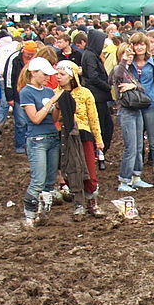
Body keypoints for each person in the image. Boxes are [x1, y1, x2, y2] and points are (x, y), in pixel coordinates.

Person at [53, 61, 105, 217]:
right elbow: (54, 118)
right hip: (65, 135)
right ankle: (78, 203)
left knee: (88, 169)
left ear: (71, 76)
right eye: (57, 74)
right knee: (71, 169)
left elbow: (93, 117)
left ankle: (92, 202)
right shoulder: (55, 93)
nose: (58, 77)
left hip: (83, 134)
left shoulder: (84, 93)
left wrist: (98, 139)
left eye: (62, 74)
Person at [110, 36, 154, 191]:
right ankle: (124, 180)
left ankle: (136, 176)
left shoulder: (146, 66)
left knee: (139, 144)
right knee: (131, 147)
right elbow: (114, 78)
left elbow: (143, 87)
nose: (131, 56)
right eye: (128, 53)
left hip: (139, 107)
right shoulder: (122, 69)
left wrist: (133, 86)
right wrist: (124, 61)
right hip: (127, 109)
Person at [19, 56, 64, 229]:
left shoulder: (47, 91)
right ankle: (29, 215)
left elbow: (53, 119)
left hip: (52, 136)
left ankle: (43, 212)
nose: (47, 78)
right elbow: (35, 118)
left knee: (49, 180)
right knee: (38, 179)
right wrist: (52, 102)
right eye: (44, 74)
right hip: (37, 138)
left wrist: (57, 106)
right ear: (33, 73)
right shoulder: (27, 92)